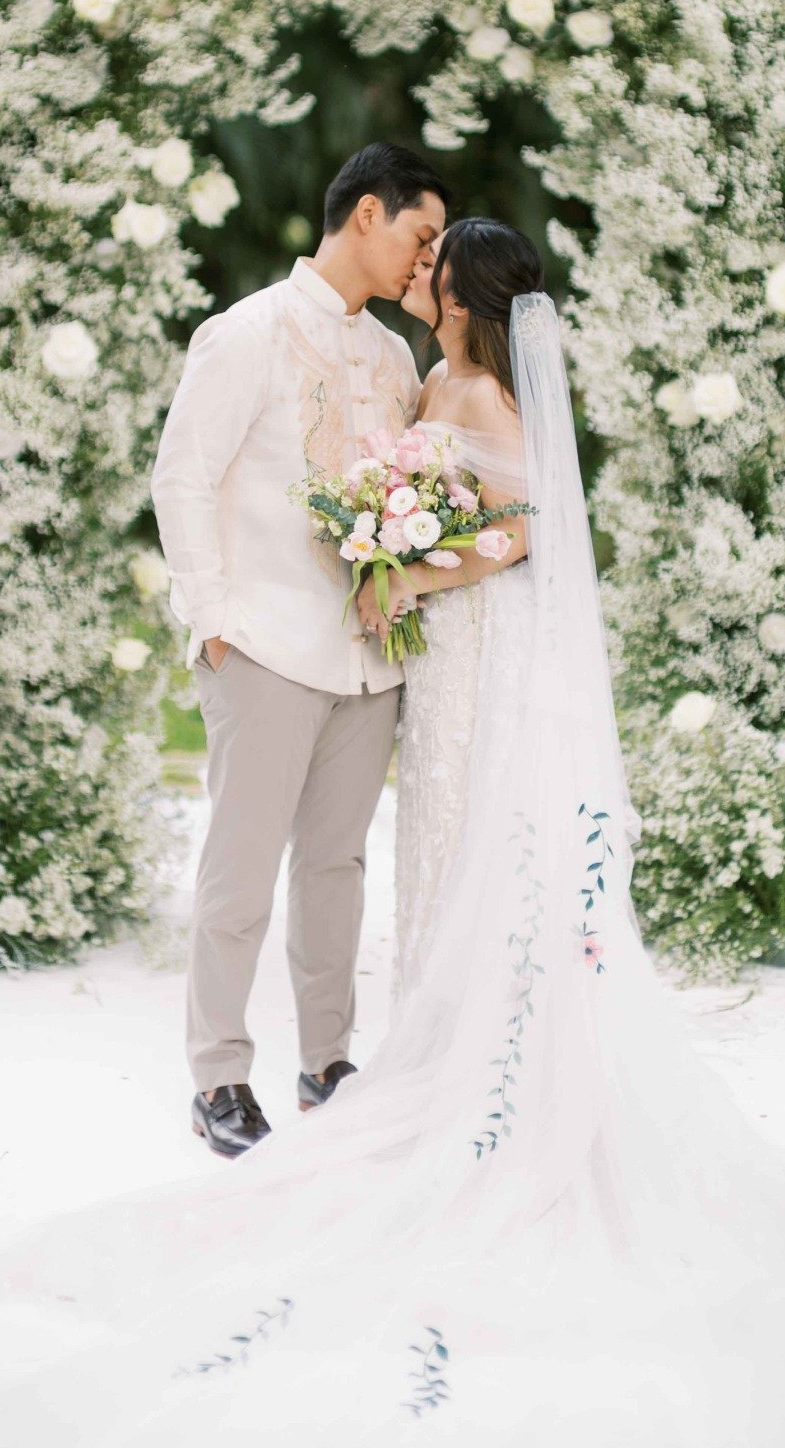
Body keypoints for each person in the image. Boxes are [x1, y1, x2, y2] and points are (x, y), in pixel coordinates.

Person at [0, 216, 785, 1447]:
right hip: (429, 659)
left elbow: (523, 537)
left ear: (462, 299)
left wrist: (412, 568)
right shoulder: (426, 374)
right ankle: (383, 1050)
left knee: (475, 844)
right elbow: (392, 489)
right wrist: (383, 542)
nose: (418, 278)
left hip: (473, 647)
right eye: (411, 252)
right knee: (426, 854)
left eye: (433, 268)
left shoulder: (486, 393)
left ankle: (487, 1067)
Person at [150, 142, 450, 1158]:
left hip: (371, 659)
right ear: (366, 213)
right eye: (419, 235)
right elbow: (180, 476)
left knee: (337, 866)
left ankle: (327, 1061)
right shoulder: (248, 332)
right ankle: (217, 1075)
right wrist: (211, 618)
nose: (426, 260)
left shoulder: (394, 356)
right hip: (266, 643)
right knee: (239, 872)